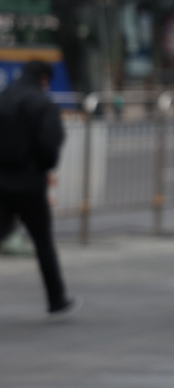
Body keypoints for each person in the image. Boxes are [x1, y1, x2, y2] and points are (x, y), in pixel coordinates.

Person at [0, 60, 79, 317]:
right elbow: (50, 143)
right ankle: (56, 297)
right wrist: (42, 167)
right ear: (44, 78)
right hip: (30, 183)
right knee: (43, 242)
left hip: (2, 181)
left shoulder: (4, 97)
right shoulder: (42, 104)